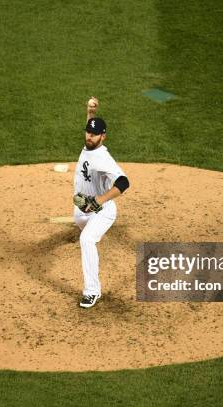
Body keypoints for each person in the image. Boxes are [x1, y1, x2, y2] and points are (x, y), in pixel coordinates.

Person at [73, 97, 130, 308]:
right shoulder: (89, 146)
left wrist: (100, 199)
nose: (90, 136)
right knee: (79, 220)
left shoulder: (103, 158)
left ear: (103, 137)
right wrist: (90, 112)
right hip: (82, 208)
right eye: (88, 132)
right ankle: (87, 226)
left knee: (87, 240)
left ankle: (92, 291)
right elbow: (90, 129)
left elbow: (124, 182)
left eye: (95, 134)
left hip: (102, 210)